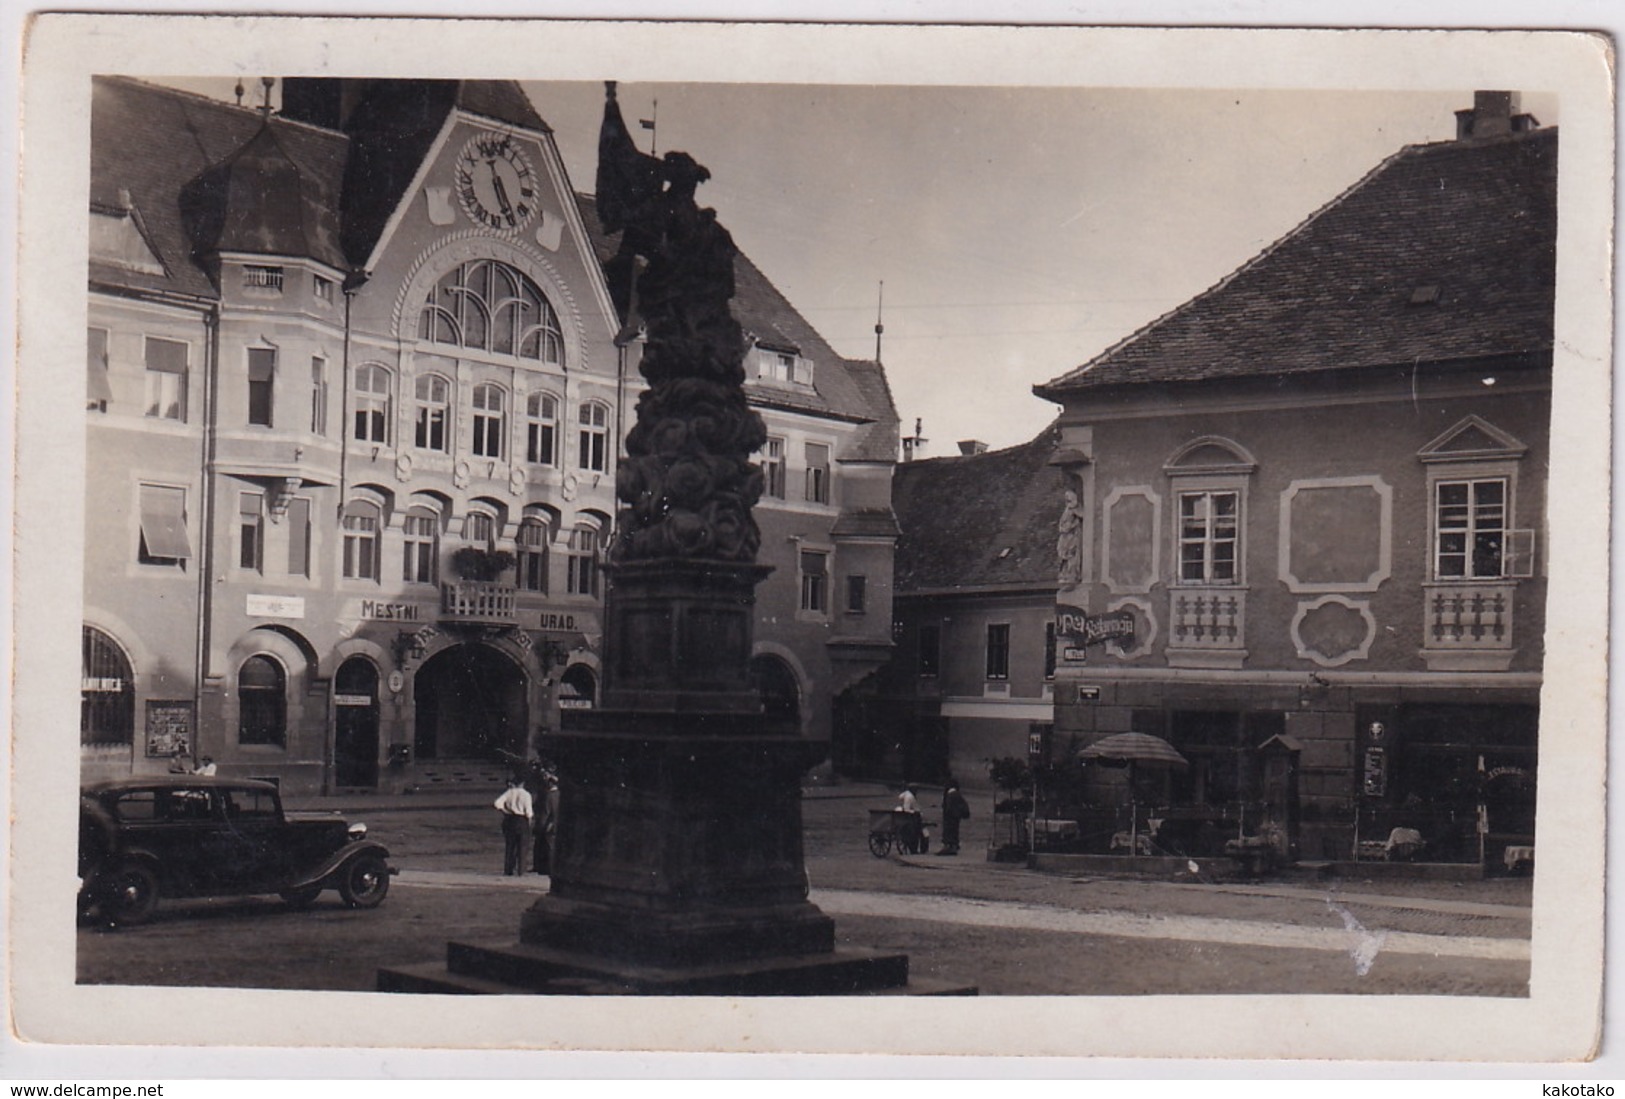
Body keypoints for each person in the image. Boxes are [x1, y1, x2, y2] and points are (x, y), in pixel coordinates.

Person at [494, 776, 534, 876]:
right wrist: (529, 822)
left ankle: (508, 869)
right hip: (522, 819)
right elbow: (529, 812)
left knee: (510, 846)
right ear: (523, 783)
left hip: (510, 819)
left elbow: (497, 803)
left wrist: (505, 811)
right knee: (522, 846)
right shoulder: (526, 794)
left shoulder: (509, 792)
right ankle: (521, 870)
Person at [938, 780, 971, 856]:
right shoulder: (957, 794)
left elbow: (948, 807)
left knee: (949, 831)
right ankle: (953, 846)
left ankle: (949, 847)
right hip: (956, 817)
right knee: (954, 831)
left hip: (950, 817)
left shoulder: (950, 795)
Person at [896, 785, 924, 855]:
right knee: (915, 831)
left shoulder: (906, 794)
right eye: (915, 790)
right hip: (910, 817)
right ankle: (913, 848)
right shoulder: (909, 797)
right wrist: (914, 812)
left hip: (907, 814)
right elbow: (906, 809)